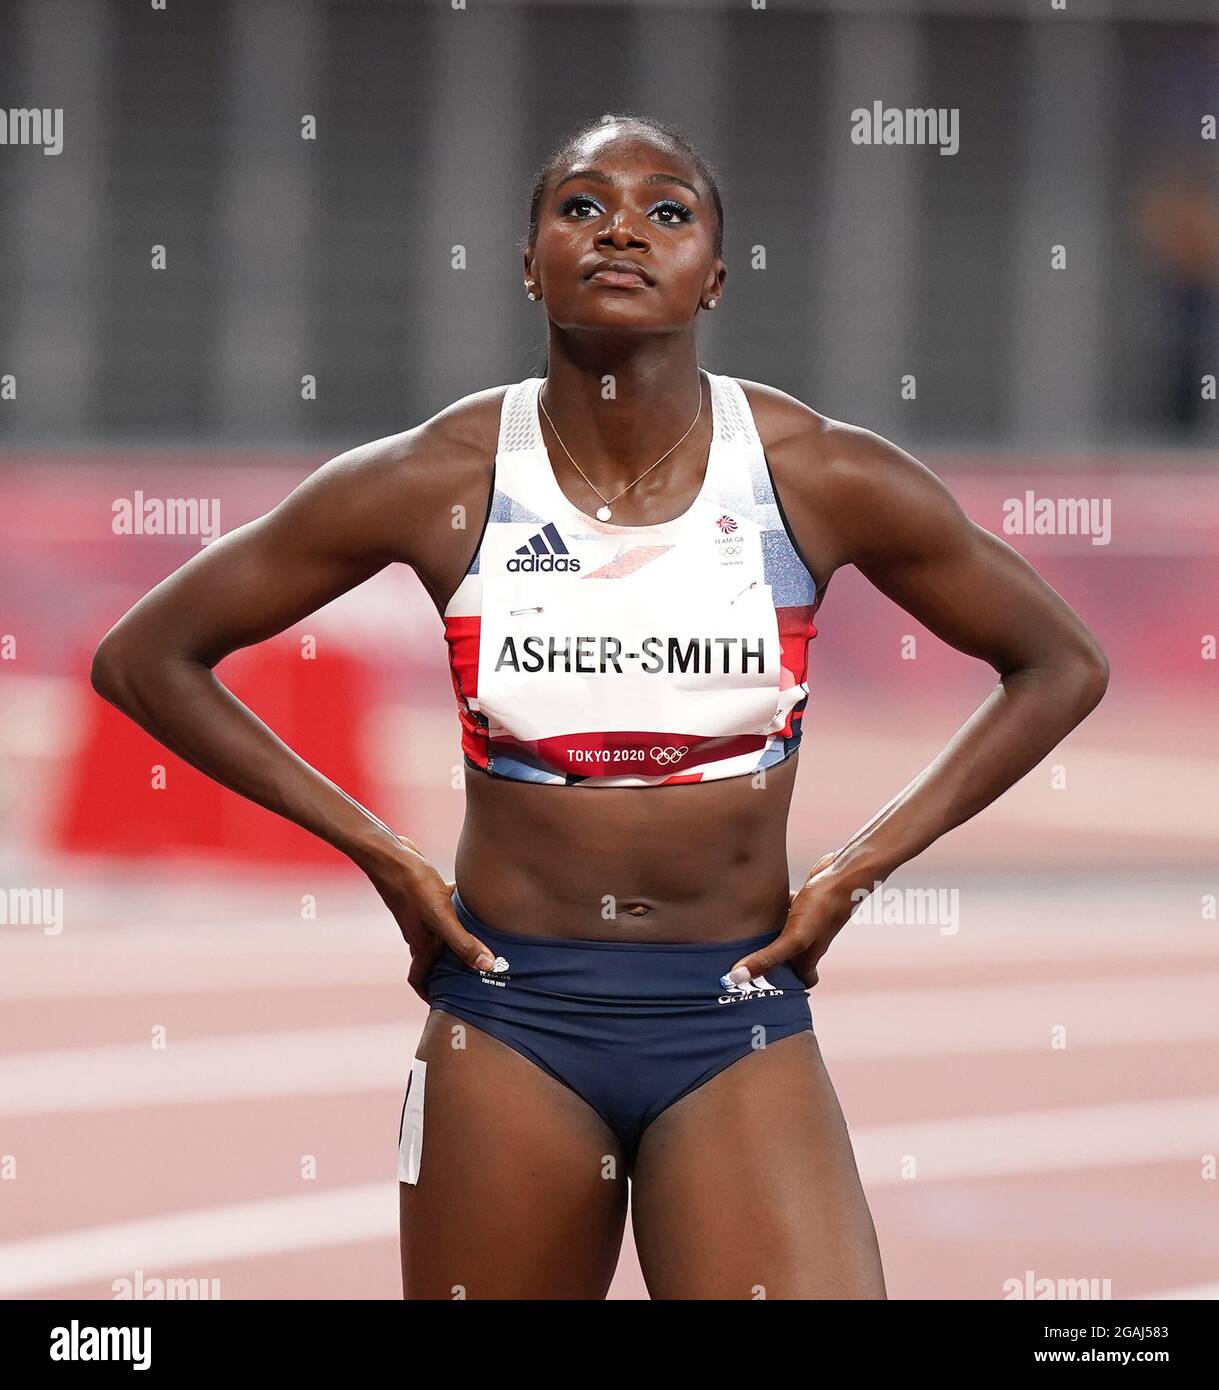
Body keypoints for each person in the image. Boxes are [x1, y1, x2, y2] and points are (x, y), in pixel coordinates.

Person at [91, 113, 1109, 1300]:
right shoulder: (441, 475)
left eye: (666, 210)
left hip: (733, 1012)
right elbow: (145, 658)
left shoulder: (814, 474)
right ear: (528, 263)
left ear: (714, 277)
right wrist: (380, 851)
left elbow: (1057, 663)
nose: (621, 226)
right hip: (507, 1015)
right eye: (580, 206)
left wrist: (854, 867)